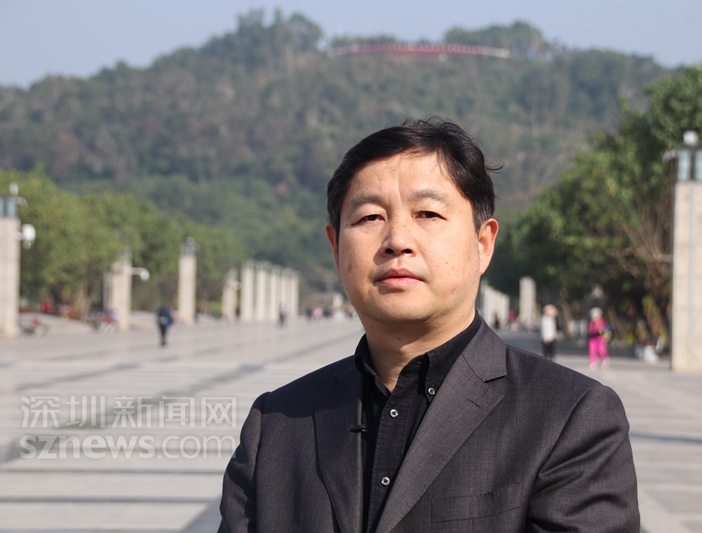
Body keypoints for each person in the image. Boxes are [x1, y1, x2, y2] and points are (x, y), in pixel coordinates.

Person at [218, 120, 639, 532]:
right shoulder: (275, 425)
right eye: (370, 217)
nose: (397, 240)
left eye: (428, 214)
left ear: (483, 244)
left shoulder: (569, 418)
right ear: (336, 247)